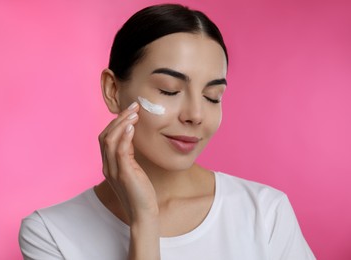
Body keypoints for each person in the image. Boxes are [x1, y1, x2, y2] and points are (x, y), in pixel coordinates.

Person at [19, 4, 316, 260]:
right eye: (169, 90)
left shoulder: (264, 213)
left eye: (213, 96)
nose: (195, 115)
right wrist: (145, 222)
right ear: (113, 90)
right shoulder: (51, 233)